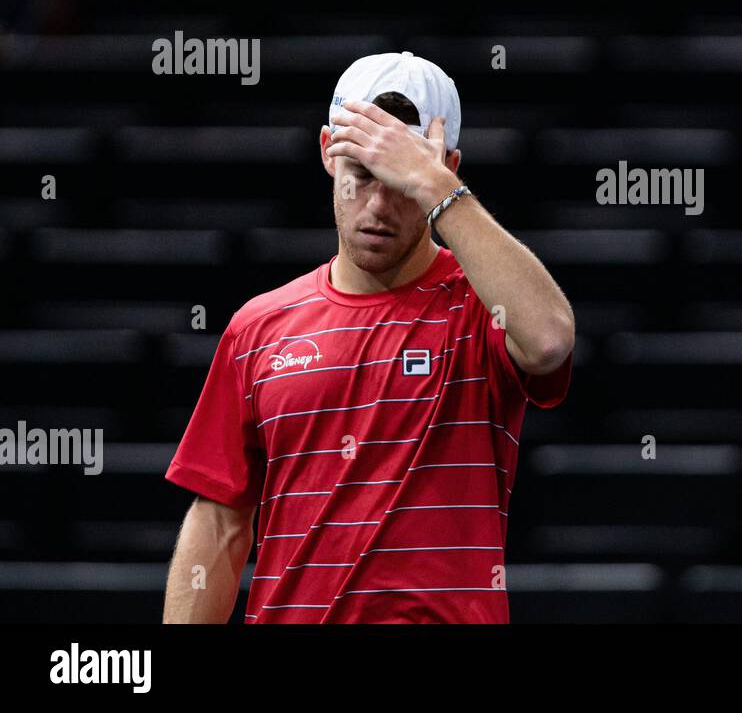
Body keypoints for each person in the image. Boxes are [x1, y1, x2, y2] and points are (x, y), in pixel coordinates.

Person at [161, 51, 575, 623]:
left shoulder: (481, 305)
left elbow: (550, 341)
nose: (378, 207)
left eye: (401, 183)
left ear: (448, 167)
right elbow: (219, 525)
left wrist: (434, 185)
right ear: (329, 150)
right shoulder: (256, 327)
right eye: (362, 175)